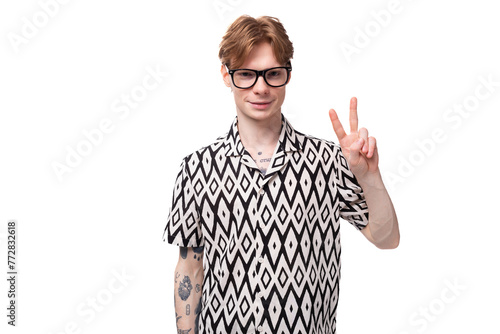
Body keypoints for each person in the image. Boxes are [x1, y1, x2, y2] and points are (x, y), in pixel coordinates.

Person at [162, 14, 399, 334]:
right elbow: (189, 268)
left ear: (287, 75)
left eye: (272, 73)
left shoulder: (327, 161)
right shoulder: (197, 169)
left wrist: (369, 177)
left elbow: (386, 239)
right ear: (226, 75)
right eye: (246, 74)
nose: (260, 87)